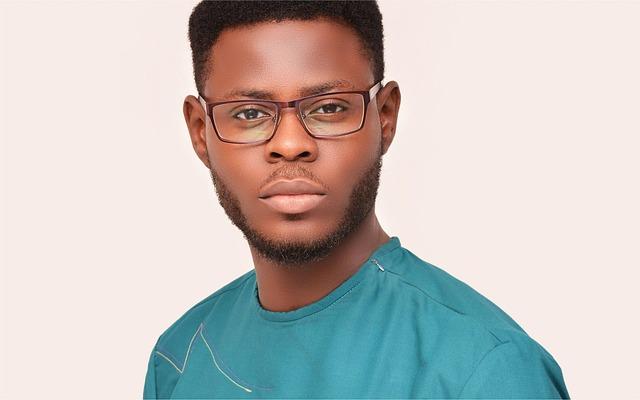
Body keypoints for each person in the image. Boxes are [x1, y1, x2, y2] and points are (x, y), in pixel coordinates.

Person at [143, 1, 570, 398]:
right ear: (200, 132)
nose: (290, 144)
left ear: (385, 118)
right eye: (249, 113)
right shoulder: (179, 358)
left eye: (328, 108)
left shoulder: (484, 369)